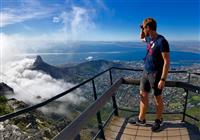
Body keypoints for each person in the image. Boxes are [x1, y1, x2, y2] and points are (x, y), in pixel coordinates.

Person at [129, 17, 170, 132]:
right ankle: (141, 119)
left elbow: (166, 61)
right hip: (146, 72)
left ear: (149, 28)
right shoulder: (150, 38)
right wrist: (142, 29)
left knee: (157, 98)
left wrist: (163, 79)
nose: (143, 30)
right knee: (143, 95)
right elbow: (141, 38)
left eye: (144, 27)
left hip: (156, 74)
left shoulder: (162, 41)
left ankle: (158, 120)